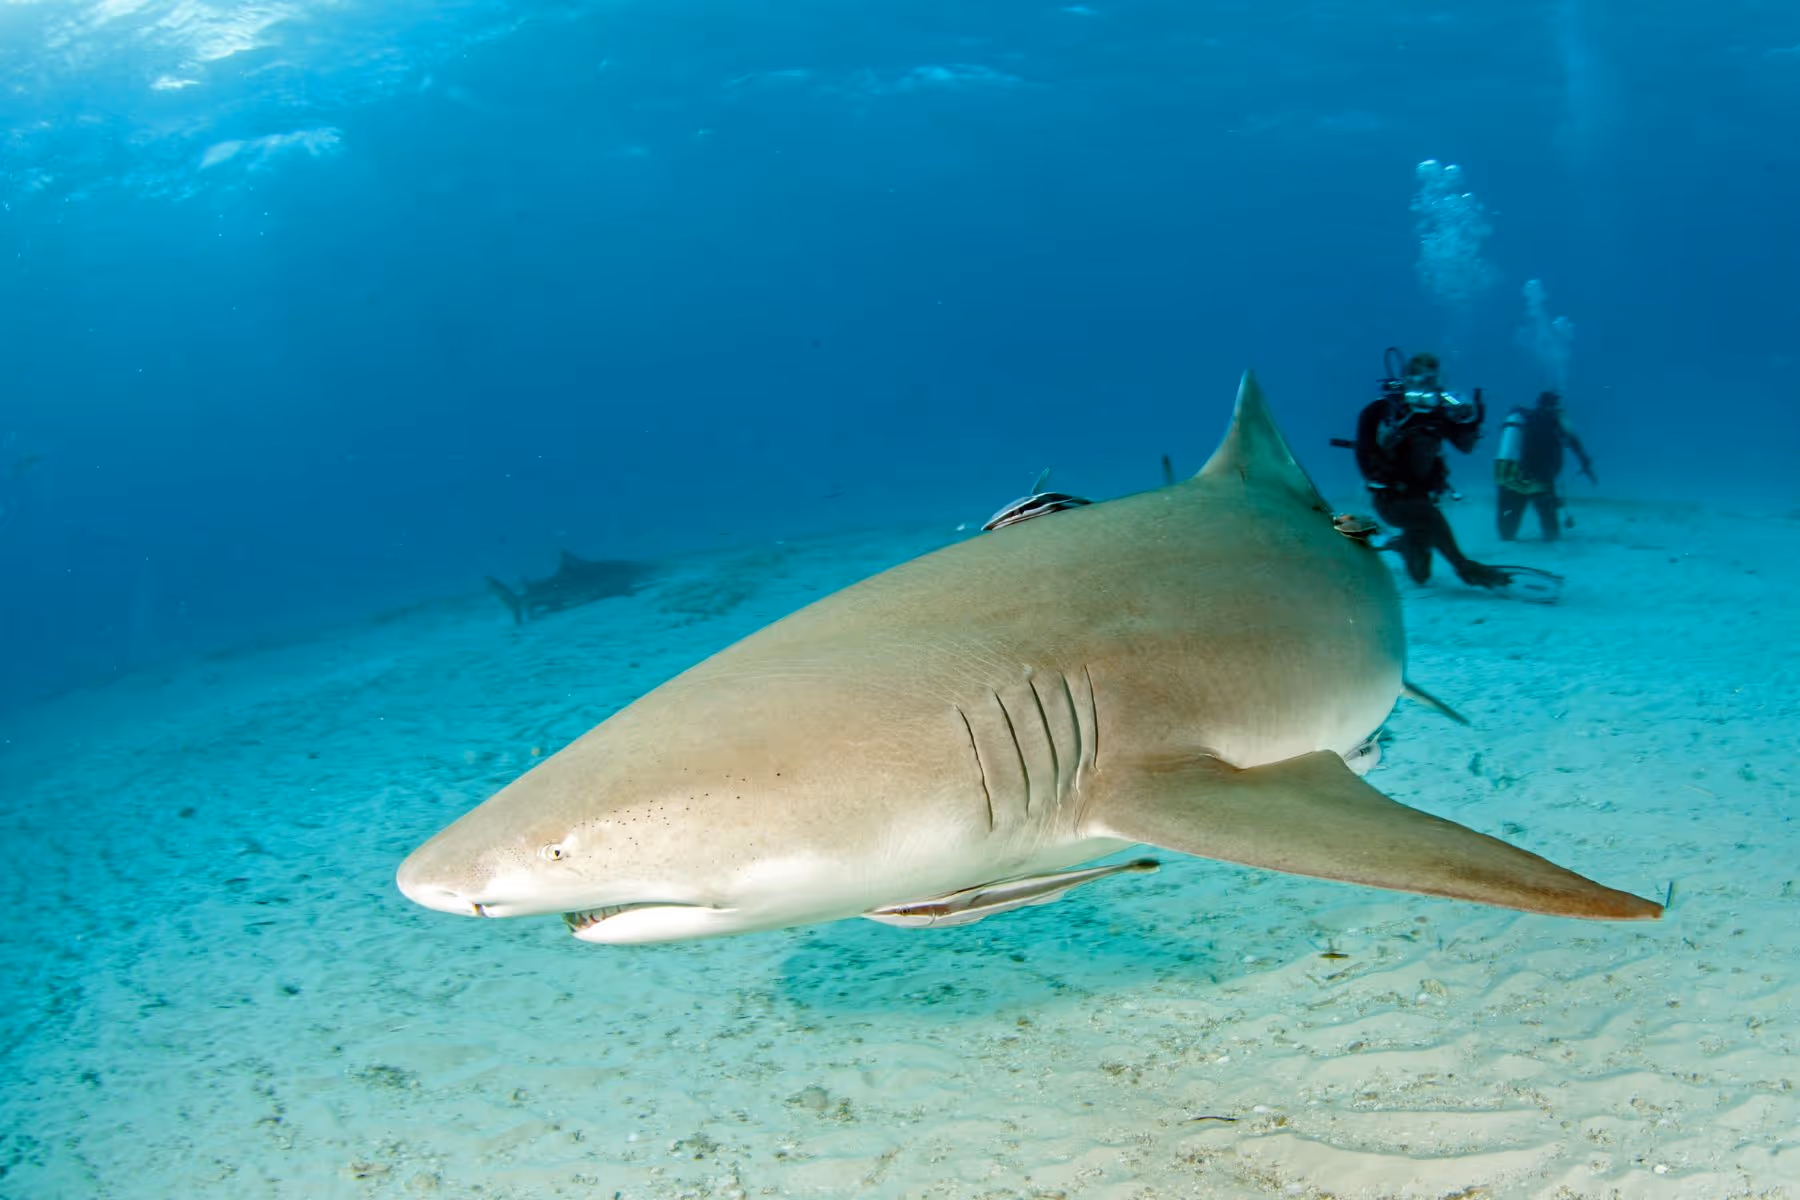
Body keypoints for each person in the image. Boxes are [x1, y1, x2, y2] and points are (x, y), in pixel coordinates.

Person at [1353, 350, 1512, 590]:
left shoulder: (1438, 414)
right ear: (1406, 378)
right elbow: (1363, 456)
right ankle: (1464, 568)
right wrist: (1382, 477)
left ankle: (1402, 544)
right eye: (1420, 379)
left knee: (1420, 576)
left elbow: (1465, 446)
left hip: (1423, 497)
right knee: (1429, 516)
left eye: (1432, 379)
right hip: (1391, 499)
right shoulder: (1378, 412)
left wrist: (1471, 420)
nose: (1426, 387)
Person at [1494, 390, 1596, 542]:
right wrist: (1586, 464)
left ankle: (1506, 540)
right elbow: (1574, 442)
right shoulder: (1556, 418)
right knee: (1550, 528)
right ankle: (1550, 545)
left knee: (1510, 526)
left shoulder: (1526, 417)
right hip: (1542, 478)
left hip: (1519, 475)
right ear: (1554, 404)